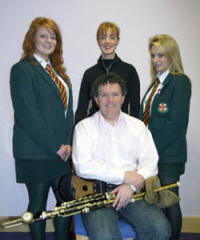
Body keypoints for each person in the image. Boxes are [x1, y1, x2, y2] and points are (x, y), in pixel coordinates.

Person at [72, 73, 171, 240]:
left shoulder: (137, 126)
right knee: (105, 236)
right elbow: (83, 166)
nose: (110, 100)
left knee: (160, 229)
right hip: (96, 193)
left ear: (123, 98)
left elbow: (151, 161)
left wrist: (130, 186)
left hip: (133, 191)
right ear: (96, 99)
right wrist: (124, 176)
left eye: (115, 95)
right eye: (104, 95)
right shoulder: (84, 128)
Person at [10, 17, 74, 240]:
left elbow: (68, 115)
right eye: (43, 35)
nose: (49, 40)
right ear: (32, 39)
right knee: (38, 205)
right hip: (35, 152)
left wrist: (67, 143)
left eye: (53, 36)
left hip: (61, 153)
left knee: (66, 203)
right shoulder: (22, 70)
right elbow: (29, 116)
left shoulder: (59, 74)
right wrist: (55, 145)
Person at [139, 34, 191, 240]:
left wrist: (149, 150)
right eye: (153, 55)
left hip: (168, 156)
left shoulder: (180, 82)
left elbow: (176, 125)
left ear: (171, 56)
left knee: (169, 202)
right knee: (157, 202)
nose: (156, 60)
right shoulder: (155, 84)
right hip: (153, 155)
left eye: (161, 55)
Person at [75, 21, 140, 124]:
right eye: (103, 37)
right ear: (98, 41)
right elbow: (82, 109)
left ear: (118, 41)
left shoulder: (129, 71)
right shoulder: (89, 73)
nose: (107, 41)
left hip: (122, 127)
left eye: (112, 37)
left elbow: (135, 108)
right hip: (94, 128)